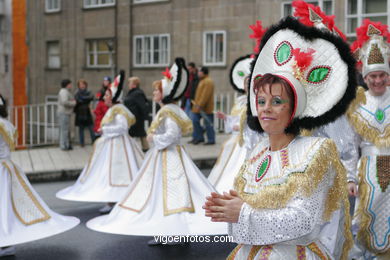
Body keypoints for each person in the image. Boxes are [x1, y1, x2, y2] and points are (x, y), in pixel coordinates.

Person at [203, 3, 358, 258]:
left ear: (293, 109)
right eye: (261, 101)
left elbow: (304, 224)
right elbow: (241, 233)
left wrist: (242, 212)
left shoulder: (316, 152)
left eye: (277, 102)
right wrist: (229, 211)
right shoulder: (257, 153)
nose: (266, 109)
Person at [86, 58, 226, 239]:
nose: (153, 92)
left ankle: (173, 232)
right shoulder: (168, 110)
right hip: (164, 155)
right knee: (162, 194)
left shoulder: (168, 112)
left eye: (156, 90)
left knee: (173, 194)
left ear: (164, 93)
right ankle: (166, 230)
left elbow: (172, 134)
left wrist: (154, 137)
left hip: (170, 156)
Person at [0, 95, 79, 257]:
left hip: (2, 168)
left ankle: (5, 241)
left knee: (5, 206)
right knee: (6, 206)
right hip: (6, 167)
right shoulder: (5, 123)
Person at [56, 71, 144, 214]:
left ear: (114, 97)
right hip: (113, 143)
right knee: (109, 173)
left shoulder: (118, 110)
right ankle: (114, 200)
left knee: (116, 173)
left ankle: (116, 201)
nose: (104, 97)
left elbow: (122, 128)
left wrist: (105, 130)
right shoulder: (115, 109)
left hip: (119, 144)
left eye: (107, 95)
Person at [343, 19, 390, 259]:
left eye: (382, 75)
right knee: (365, 219)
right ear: (366, 76)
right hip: (368, 172)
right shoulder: (357, 102)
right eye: (373, 76)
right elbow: (351, 145)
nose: (378, 80)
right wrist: (350, 177)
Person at [208, 55, 261, 193]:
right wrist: (225, 118)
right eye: (245, 82)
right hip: (236, 139)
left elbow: (256, 122)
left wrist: (242, 126)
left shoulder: (257, 101)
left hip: (248, 141)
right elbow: (236, 119)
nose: (247, 85)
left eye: (250, 82)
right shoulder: (240, 100)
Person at [123, 76, 149, 152]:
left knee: (140, 133)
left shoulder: (137, 93)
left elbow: (142, 106)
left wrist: (144, 116)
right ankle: (143, 149)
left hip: (136, 118)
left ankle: (145, 149)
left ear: (134, 85)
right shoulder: (132, 93)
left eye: (129, 83)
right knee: (139, 133)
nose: (128, 85)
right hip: (131, 117)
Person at [191, 66, 215, 145]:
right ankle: (199, 137)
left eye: (199, 71)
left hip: (204, 107)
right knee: (196, 121)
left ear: (203, 72)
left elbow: (205, 95)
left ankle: (211, 139)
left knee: (208, 124)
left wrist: (199, 105)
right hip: (199, 106)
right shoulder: (203, 81)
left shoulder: (208, 81)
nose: (198, 73)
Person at [74, 79, 95, 147]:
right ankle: (82, 143)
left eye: (83, 84)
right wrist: (85, 99)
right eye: (80, 85)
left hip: (87, 111)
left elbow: (91, 97)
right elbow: (78, 100)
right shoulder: (77, 92)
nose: (82, 86)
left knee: (91, 127)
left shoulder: (89, 91)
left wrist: (83, 98)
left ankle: (94, 141)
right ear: (78, 86)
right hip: (80, 112)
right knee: (81, 129)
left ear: (86, 85)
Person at [58, 79, 76, 150]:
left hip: (65, 113)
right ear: (67, 85)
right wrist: (73, 103)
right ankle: (64, 145)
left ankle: (66, 144)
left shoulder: (65, 91)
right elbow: (64, 102)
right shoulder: (64, 92)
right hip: (64, 113)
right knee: (64, 129)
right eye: (70, 84)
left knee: (65, 129)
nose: (71, 86)